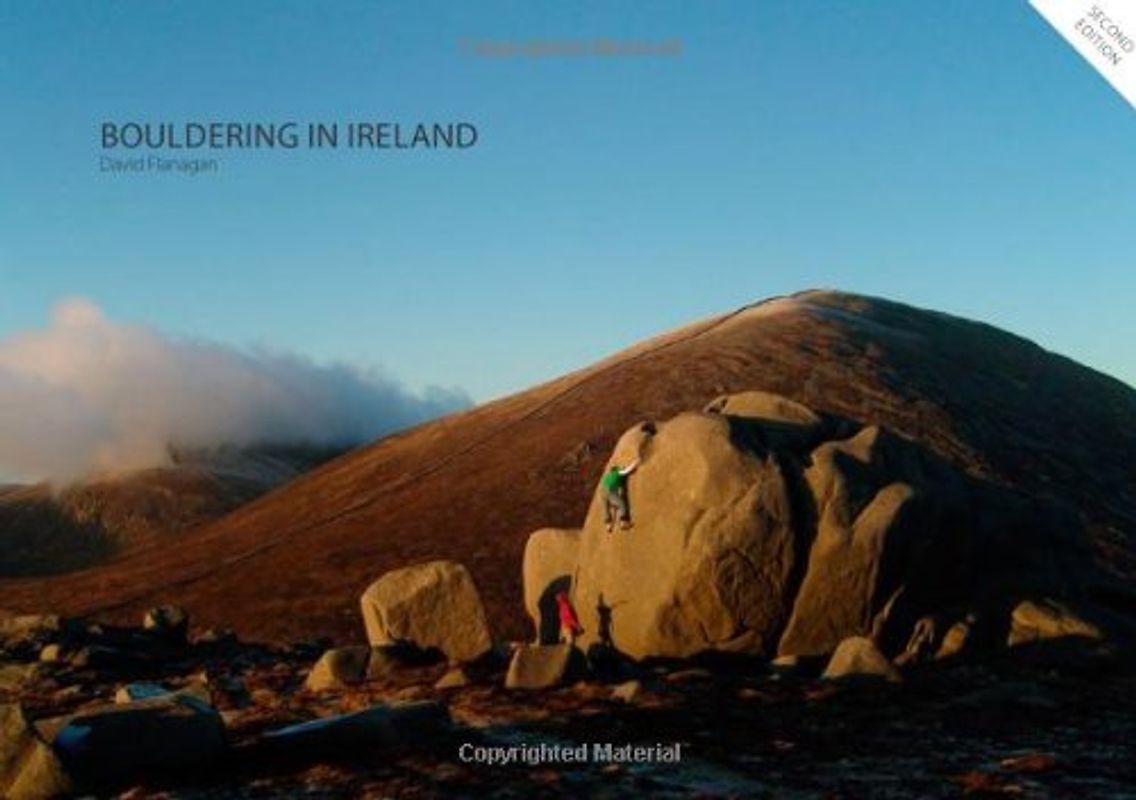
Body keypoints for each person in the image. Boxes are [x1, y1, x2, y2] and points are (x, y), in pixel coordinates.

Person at [601, 459, 639, 531]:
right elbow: (628, 470)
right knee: (622, 504)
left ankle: (608, 525)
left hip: (603, 493)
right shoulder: (618, 472)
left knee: (608, 509)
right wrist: (637, 461)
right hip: (611, 492)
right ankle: (624, 522)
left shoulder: (607, 476)